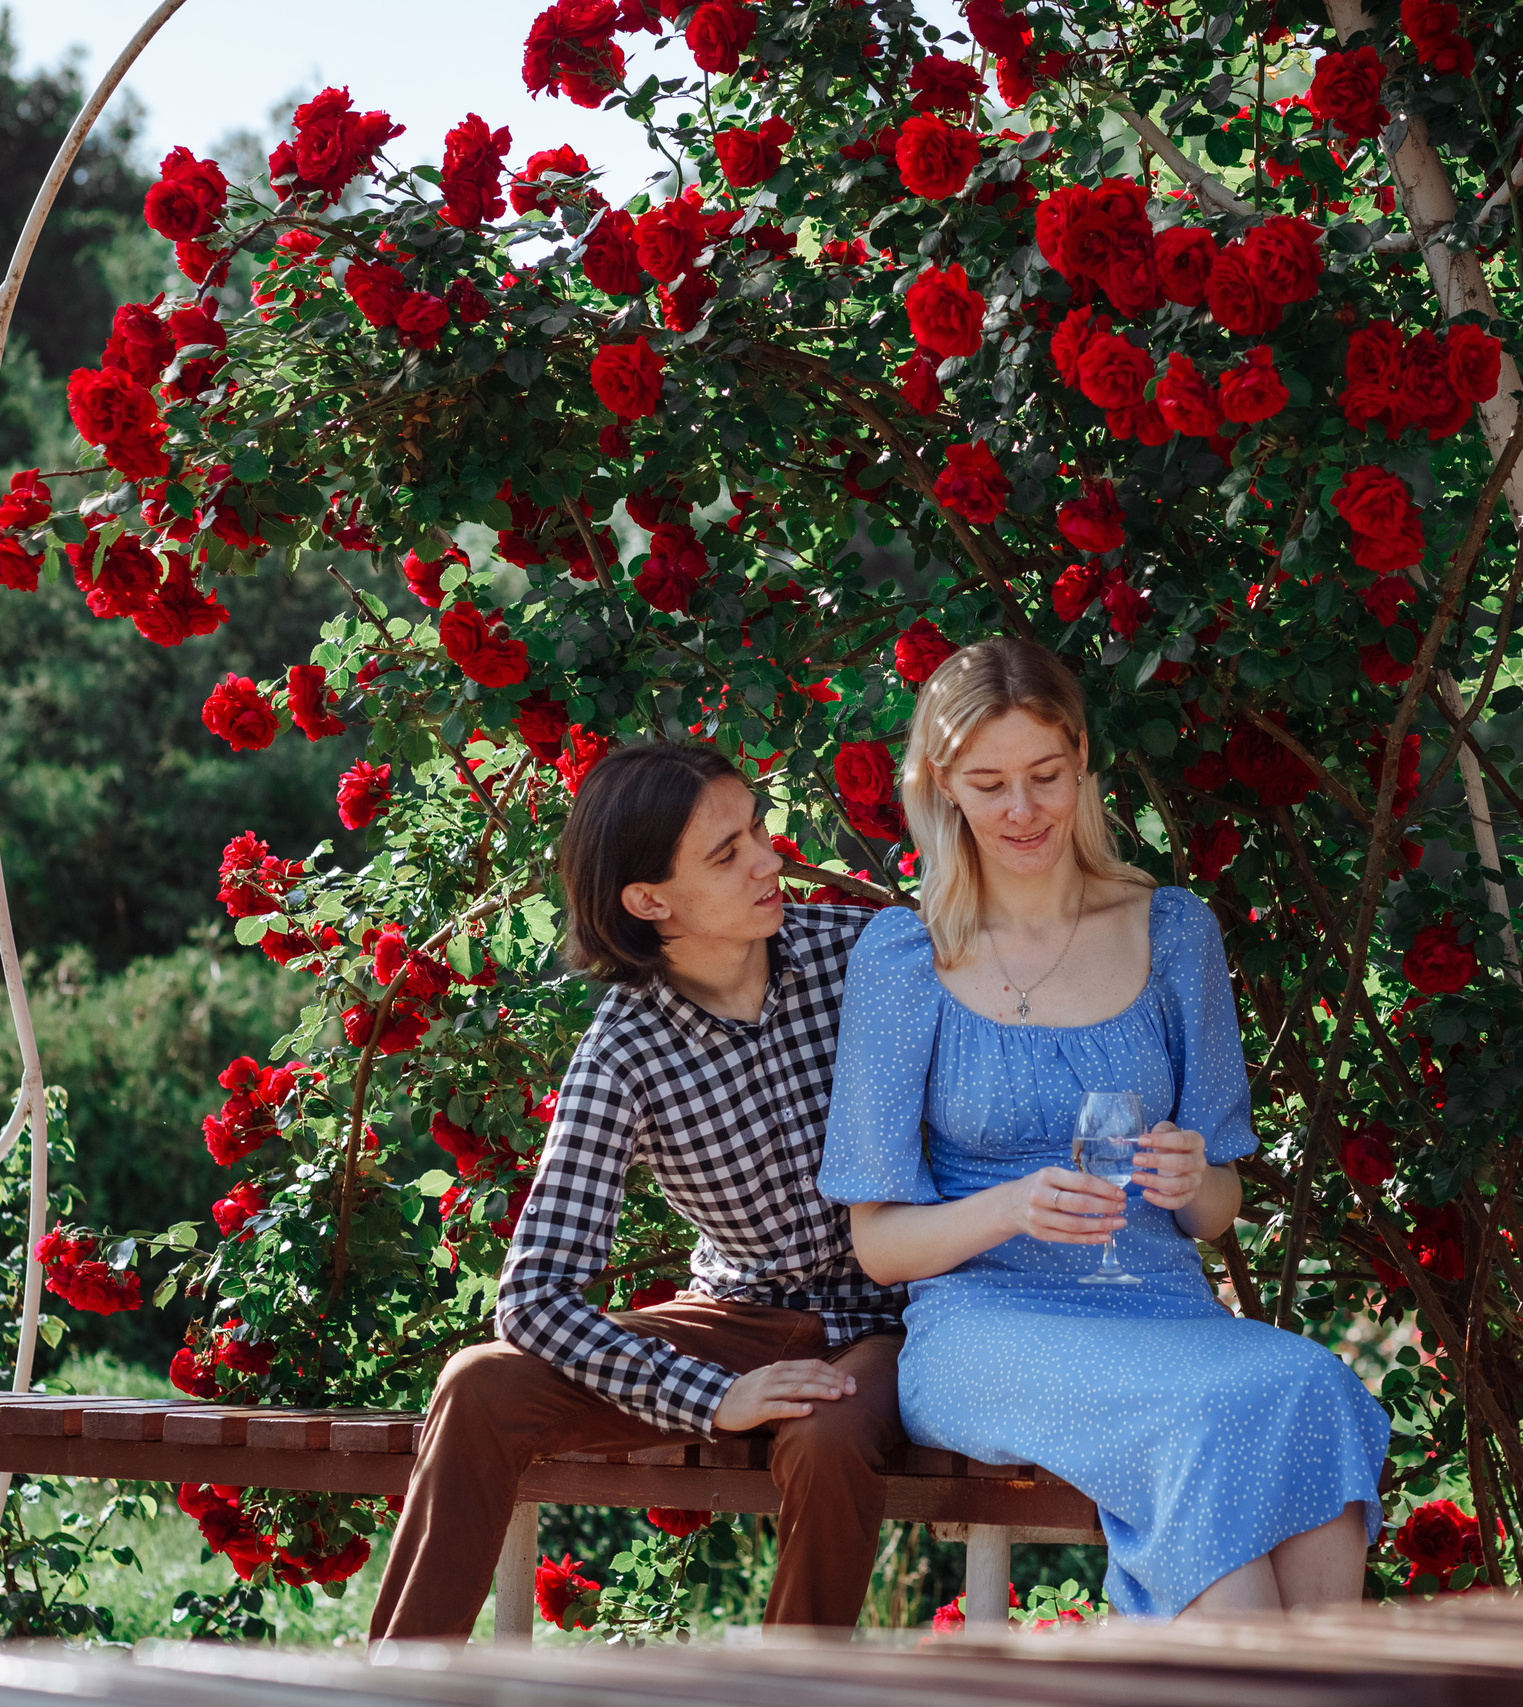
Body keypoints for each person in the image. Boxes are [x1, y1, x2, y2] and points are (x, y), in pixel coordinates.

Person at [817, 639, 1388, 1619]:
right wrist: (1011, 1205)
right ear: (942, 785)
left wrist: (1187, 1175)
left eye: (1043, 776)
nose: (1021, 810)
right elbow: (878, 1249)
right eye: (989, 784)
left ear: (1082, 760)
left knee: (1314, 1388)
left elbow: (1217, 1210)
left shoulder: (1172, 933)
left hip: (1161, 1305)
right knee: (1209, 1440)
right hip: (984, 1324)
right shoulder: (904, 957)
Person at [370, 742, 908, 1640]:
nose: (770, 859)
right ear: (649, 901)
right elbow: (534, 1295)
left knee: (826, 1433)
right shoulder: (624, 1051)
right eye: (727, 853)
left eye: (757, 832)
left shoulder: (864, 957)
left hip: (898, 1312)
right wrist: (707, 1398)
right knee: (476, 1385)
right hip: (742, 1318)